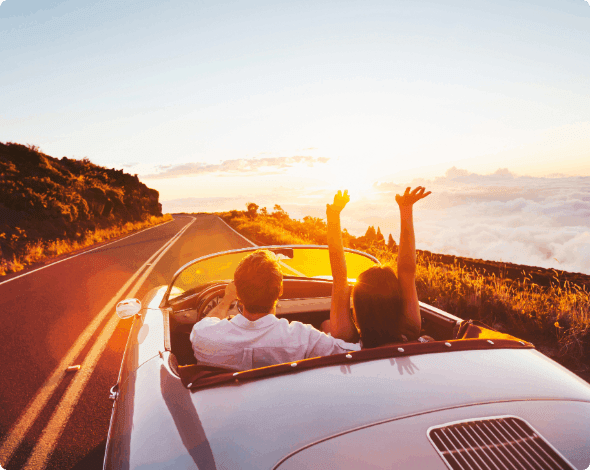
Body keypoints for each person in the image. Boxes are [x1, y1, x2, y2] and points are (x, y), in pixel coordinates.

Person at [190, 249, 360, 370]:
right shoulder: (303, 338)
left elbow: (208, 322)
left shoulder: (203, 335)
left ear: (238, 294)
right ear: (280, 291)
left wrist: (226, 300)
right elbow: (354, 352)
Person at [324, 186, 431, 348]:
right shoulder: (410, 330)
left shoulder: (347, 339)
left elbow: (339, 276)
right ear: (398, 302)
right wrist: (406, 209)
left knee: (325, 325)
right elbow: (406, 271)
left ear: (358, 308)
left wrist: (333, 216)